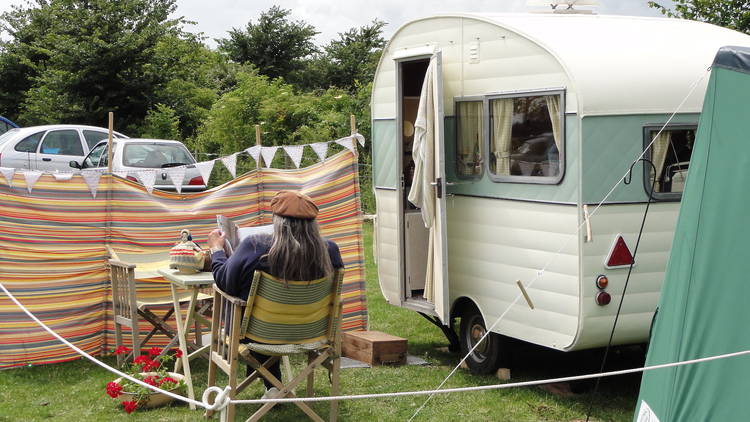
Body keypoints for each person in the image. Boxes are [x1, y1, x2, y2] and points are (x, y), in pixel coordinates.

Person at [206, 190, 344, 398]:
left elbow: (225, 282)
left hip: (258, 335)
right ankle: (273, 385)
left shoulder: (255, 247)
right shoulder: (330, 251)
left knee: (240, 302)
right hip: (312, 334)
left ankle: (273, 384)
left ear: (277, 222)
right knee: (265, 312)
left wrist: (217, 251)